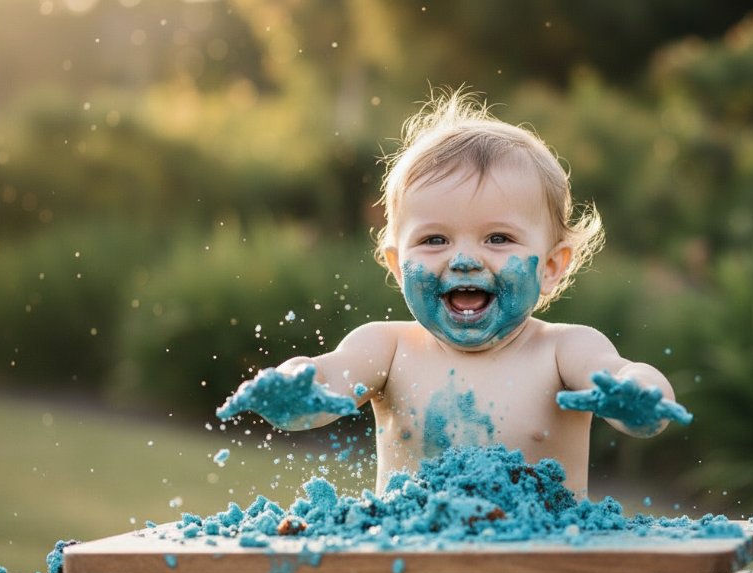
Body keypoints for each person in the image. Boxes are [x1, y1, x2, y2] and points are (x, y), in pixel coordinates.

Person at [217, 89, 690, 498]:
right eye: (434, 239)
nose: (463, 259)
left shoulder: (564, 351)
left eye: (498, 238)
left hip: (541, 560)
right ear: (398, 266)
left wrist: (638, 396)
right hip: (412, 558)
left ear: (550, 267)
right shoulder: (387, 348)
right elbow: (328, 379)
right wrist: (295, 389)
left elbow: (628, 382)